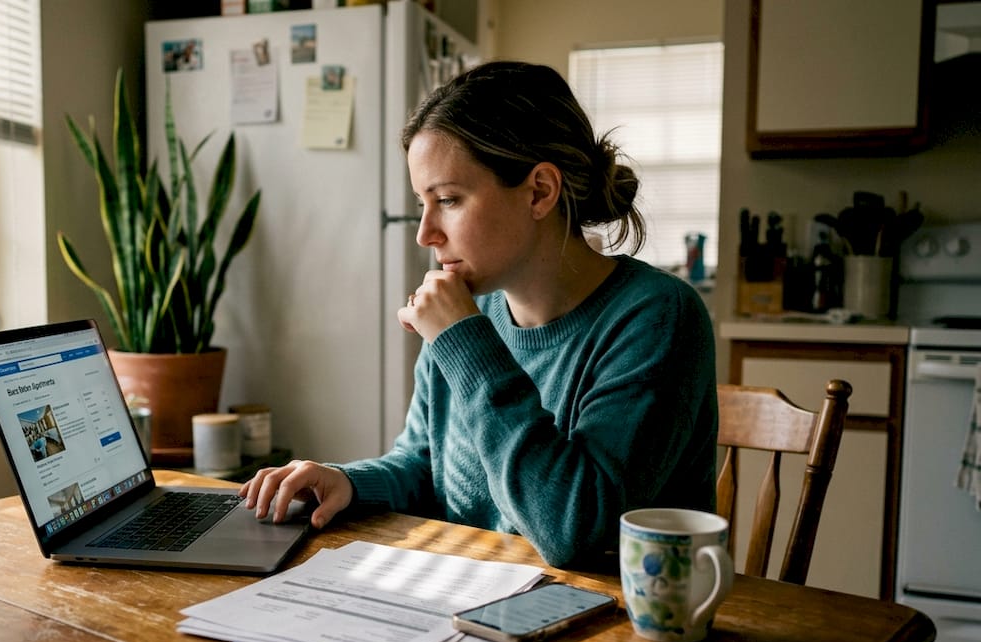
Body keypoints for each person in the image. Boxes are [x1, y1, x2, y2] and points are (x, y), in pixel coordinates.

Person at [239, 60, 717, 569]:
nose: (425, 234)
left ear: (540, 191)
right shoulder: (469, 314)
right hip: (471, 592)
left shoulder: (658, 316)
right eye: (422, 203)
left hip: (614, 611)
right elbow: (423, 466)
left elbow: (573, 529)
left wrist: (464, 342)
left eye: (448, 199)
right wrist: (347, 482)